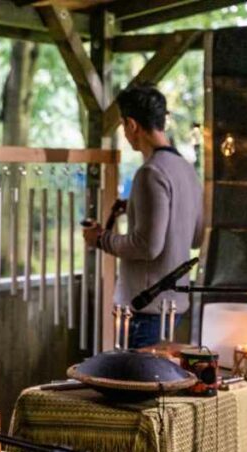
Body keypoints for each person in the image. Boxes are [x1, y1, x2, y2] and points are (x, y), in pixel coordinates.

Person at [82, 84, 203, 349]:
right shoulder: (186, 169)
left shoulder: (151, 173)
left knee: (136, 389)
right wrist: (137, 208)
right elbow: (195, 236)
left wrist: (100, 239)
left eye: (124, 127)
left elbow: (147, 246)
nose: (125, 134)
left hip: (146, 311)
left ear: (132, 125)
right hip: (176, 307)